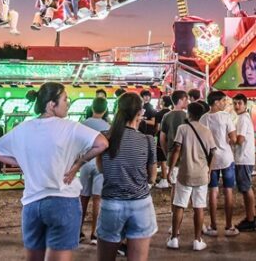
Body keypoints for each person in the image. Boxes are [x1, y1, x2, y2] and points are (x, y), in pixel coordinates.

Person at [0, 82, 108, 261]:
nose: (68, 103)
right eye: (65, 99)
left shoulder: (23, 128)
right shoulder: (70, 127)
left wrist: (24, 163)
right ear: (51, 105)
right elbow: (102, 143)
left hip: (31, 203)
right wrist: (78, 163)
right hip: (63, 201)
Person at [97, 92, 157, 261]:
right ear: (140, 113)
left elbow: (102, 169)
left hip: (111, 204)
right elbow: (152, 177)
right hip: (141, 205)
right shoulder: (148, 140)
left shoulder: (105, 137)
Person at [167, 101, 214, 251]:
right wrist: (209, 170)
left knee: (179, 205)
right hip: (201, 173)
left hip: (184, 173)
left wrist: (170, 169)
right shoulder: (206, 131)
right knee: (199, 207)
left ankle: (174, 238)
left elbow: (176, 150)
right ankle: (197, 240)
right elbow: (213, 152)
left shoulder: (182, 128)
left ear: (189, 113)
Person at [200, 91, 238, 237]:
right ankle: (229, 226)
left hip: (211, 159)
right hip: (227, 158)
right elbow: (233, 138)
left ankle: (214, 226)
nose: (225, 103)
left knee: (213, 192)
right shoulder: (226, 117)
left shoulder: (204, 119)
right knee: (228, 190)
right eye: (223, 101)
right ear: (216, 102)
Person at [79, 98, 110, 245]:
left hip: (85, 163)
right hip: (100, 163)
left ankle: (77, 231)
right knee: (98, 199)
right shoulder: (108, 126)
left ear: (92, 107)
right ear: (105, 109)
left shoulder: (83, 124)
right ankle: (94, 234)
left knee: (83, 198)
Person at [231, 94, 256, 231]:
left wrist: (228, 138)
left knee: (246, 188)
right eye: (234, 103)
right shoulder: (243, 117)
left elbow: (240, 140)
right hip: (244, 158)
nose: (237, 106)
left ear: (245, 104)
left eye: (239, 103)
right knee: (246, 188)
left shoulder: (242, 119)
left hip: (242, 159)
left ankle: (250, 220)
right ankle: (252, 217)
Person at [159, 90, 189, 188]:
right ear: (181, 100)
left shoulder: (166, 116)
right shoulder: (188, 116)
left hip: (171, 155)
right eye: (186, 100)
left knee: (174, 186)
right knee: (186, 187)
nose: (187, 102)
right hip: (187, 156)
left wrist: (166, 152)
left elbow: (162, 138)